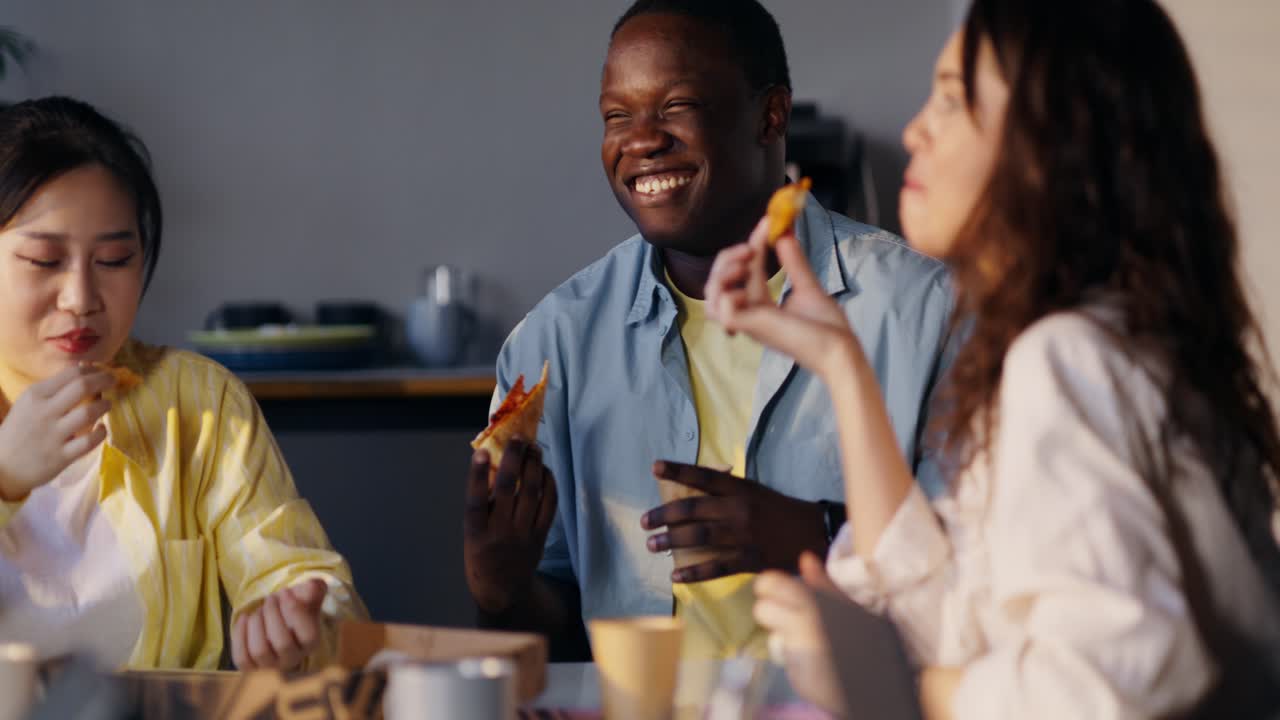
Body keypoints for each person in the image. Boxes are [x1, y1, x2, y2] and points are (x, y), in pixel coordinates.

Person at [705, 0, 1280, 716]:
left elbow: (1120, 675)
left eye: (951, 98)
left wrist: (903, 693)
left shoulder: (1065, 358)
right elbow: (954, 622)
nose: (916, 128)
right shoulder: (1102, 345)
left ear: (1053, 142)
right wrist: (841, 365)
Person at [463, 0, 954, 660]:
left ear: (770, 115)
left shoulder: (926, 312)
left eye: (676, 107)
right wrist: (503, 591)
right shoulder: (551, 346)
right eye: (617, 117)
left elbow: (990, 573)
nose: (640, 140)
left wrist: (822, 533)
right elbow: (554, 638)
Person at [0, 96, 366, 671]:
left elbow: (307, 580)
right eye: (45, 261)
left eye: (115, 259)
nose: (81, 299)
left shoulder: (199, 403)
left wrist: (300, 625)